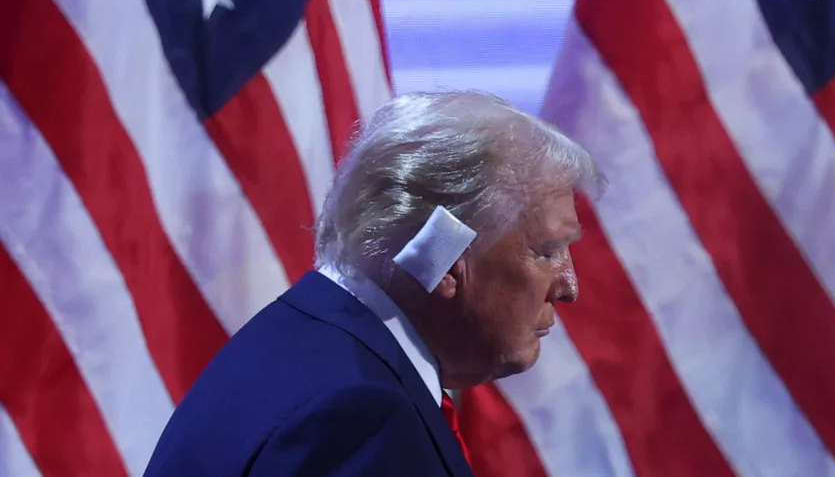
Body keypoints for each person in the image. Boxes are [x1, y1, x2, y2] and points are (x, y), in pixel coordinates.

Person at [142, 90, 605, 476]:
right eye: (546, 251)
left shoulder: (300, 340)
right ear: (446, 261)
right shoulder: (361, 418)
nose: (568, 286)